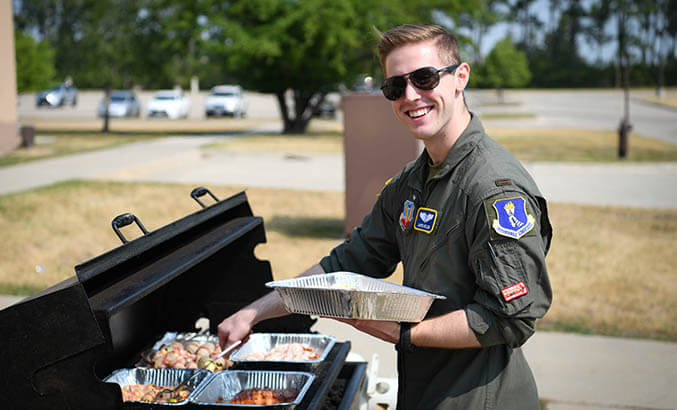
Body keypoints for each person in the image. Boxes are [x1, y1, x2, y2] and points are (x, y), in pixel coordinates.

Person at [218, 23, 553, 409]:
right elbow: (347, 262)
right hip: (422, 391)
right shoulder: (411, 181)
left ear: (460, 77)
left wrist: (403, 333)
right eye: (395, 86)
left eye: (424, 78)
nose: (410, 96)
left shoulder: (493, 191)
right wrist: (253, 312)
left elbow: (511, 318)